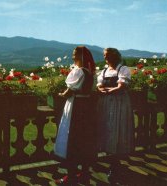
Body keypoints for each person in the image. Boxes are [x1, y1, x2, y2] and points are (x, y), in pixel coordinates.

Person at [54, 46, 97, 185]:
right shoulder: (90, 72)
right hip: (87, 108)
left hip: (76, 107)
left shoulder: (78, 71)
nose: (73, 56)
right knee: (84, 141)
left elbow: (69, 91)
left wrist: (60, 95)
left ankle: (71, 176)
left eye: (74, 54)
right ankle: (84, 173)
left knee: (72, 139)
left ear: (80, 56)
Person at [96, 47, 134, 183]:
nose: (105, 58)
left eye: (108, 55)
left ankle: (115, 164)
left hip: (119, 104)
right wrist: (103, 90)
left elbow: (121, 86)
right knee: (107, 131)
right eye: (104, 56)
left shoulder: (122, 69)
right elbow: (99, 86)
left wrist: (108, 90)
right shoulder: (104, 71)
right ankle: (112, 162)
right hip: (106, 104)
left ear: (115, 56)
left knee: (117, 130)